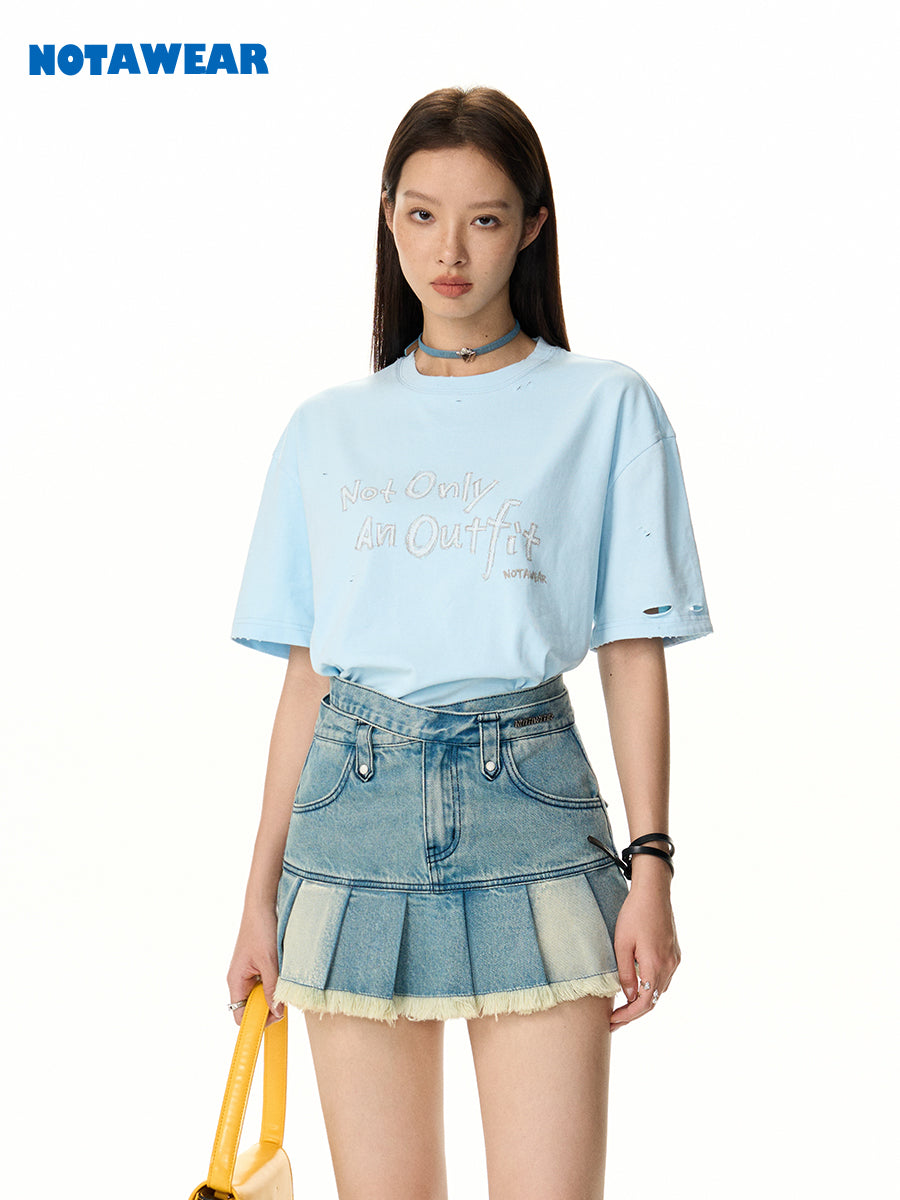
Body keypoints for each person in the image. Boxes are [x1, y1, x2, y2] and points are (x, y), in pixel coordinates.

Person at [226, 86, 712, 1200]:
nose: (450, 251)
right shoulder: (325, 429)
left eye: (485, 219)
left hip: (529, 804)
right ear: (387, 219)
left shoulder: (605, 406)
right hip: (350, 817)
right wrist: (256, 896)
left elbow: (632, 653)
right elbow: (308, 679)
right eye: (422, 215)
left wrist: (651, 863)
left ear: (532, 225)